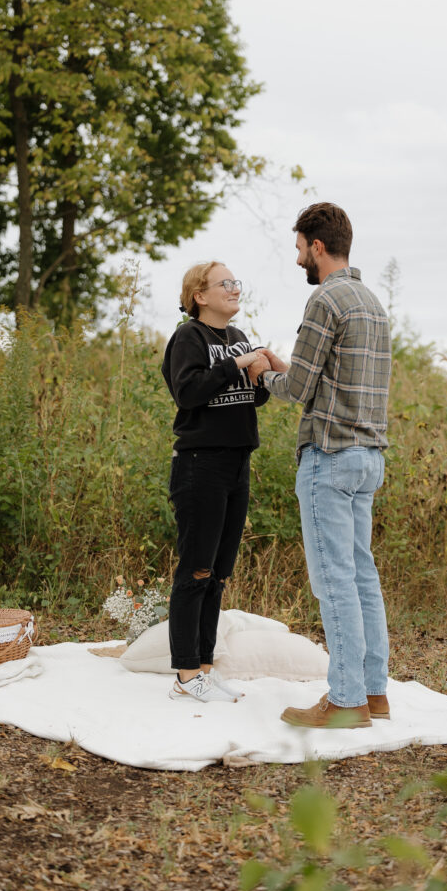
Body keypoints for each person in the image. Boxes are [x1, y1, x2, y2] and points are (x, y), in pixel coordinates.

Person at [248, 202, 392, 728]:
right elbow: (327, 378)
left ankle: (346, 701)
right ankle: (375, 693)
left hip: (329, 457)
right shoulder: (370, 302)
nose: (297, 261)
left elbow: (297, 389)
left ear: (317, 245)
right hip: (367, 457)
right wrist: (286, 368)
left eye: (299, 249)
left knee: (333, 581)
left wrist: (263, 371)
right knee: (361, 577)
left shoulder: (325, 300)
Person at [162, 261, 269, 703]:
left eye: (235, 282)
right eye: (224, 283)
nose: (234, 288)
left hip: (237, 463)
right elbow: (187, 392)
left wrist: (260, 370)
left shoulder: (239, 337)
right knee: (196, 570)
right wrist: (235, 365)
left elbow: (253, 397)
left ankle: (204, 668)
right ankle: (186, 676)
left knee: (218, 574)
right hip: (200, 465)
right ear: (199, 296)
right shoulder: (189, 337)